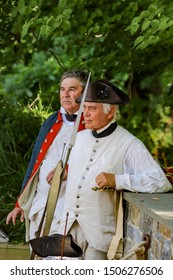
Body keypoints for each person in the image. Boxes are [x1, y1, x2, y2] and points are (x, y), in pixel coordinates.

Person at [56, 80, 172, 260]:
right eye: (84, 107)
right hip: (67, 230)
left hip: (99, 237)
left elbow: (159, 181)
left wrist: (117, 180)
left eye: (91, 109)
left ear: (110, 112)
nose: (84, 114)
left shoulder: (129, 144)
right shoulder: (78, 138)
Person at [6, 69, 87, 242]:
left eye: (72, 89)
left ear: (84, 92)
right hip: (40, 205)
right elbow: (34, 164)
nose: (65, 94)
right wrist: (20, 203)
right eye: (62, 89)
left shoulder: (91, 124)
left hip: (69, 210)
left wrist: (70, 171)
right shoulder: (50, 121)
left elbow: (97, 164)